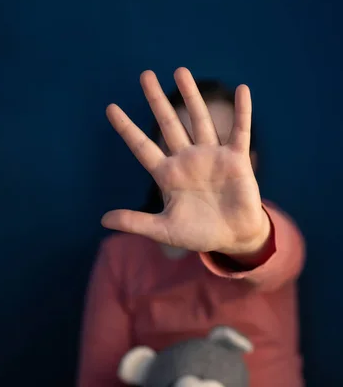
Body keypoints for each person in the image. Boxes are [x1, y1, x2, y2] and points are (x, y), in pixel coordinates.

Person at [77, 67, 306, 386]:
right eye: (182, 144)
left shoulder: (270, 228)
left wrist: (249, 240)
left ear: (250, 162)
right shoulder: (121, 257)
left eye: (220, 145)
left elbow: (284, 256)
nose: (201, 161)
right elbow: (99, 377)